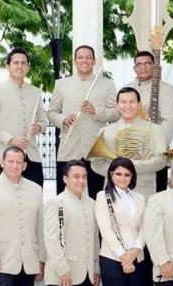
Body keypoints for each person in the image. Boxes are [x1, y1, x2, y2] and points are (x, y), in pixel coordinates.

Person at [47, 44, 120, 198]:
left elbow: (116, 114)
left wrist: (96, 111)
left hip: (96, 149)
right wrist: (63, 119)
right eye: (80, 57)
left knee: (96, 195)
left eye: (88, 57)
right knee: (65, 194)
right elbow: (51, 112)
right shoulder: (61, 84)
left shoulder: (107, 85)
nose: (84, 61)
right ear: (75, 61)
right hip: (68, 148)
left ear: (94, 61)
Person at [43, 160, 100, 286]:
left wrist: (95, 268)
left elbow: (94, 239)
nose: (81, 181)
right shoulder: (55, 203)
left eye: (84, 176)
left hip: (86, 275)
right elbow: (51, 239)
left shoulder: (92, 204)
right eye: (76, 176)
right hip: (61, 275)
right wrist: (62, 270)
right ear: (65, 179)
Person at [0, 146, 45, 286]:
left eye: (19, 162)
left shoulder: (36, 189)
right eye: (11, 161)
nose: (15, 166)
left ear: (24, 165)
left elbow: (40, 226)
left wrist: (42, 259)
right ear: (2, 163)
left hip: (29, 261)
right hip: (1, 261)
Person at [91, 87, 167, 200]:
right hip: (113, 191)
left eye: (132, 102)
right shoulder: (105, 131)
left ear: (139, 105)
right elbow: (96, 163)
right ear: (117, 105)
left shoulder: (155, 130)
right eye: (123, 102)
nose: (127, 106)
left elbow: (161, 160)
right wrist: (117, 174)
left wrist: (130, 166)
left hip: (144, 191)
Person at [95, 157, 145, 286]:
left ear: (132, 177)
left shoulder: (140, 198)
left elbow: (145, 227)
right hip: (112, 259)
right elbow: (105, 229)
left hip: (137, 258)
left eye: (127, 174)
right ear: (111, 175)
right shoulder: (103, 196)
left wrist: (136, 250)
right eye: (118, 174)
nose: (123, 178)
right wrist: (124, 258)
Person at [124, 50, 173, 193]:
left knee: (155, 198)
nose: (143, 67)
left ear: (154, 66)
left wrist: (155, 144)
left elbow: (170, 120)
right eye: (139, 64)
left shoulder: (166, 89)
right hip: (132, 151)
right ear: (134, 68)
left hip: (155, 152)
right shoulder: (126, 88)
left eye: (148, 63)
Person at [0, 47, 47, 187]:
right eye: (16, 63)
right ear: (8, 66)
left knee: (35, 197)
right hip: (6, 157)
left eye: (23, 63)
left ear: (28, 67)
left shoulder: (35, 92)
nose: (20, 66)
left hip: (32, 157)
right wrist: (10, 138)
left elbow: (43, 121)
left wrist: (39, 126)